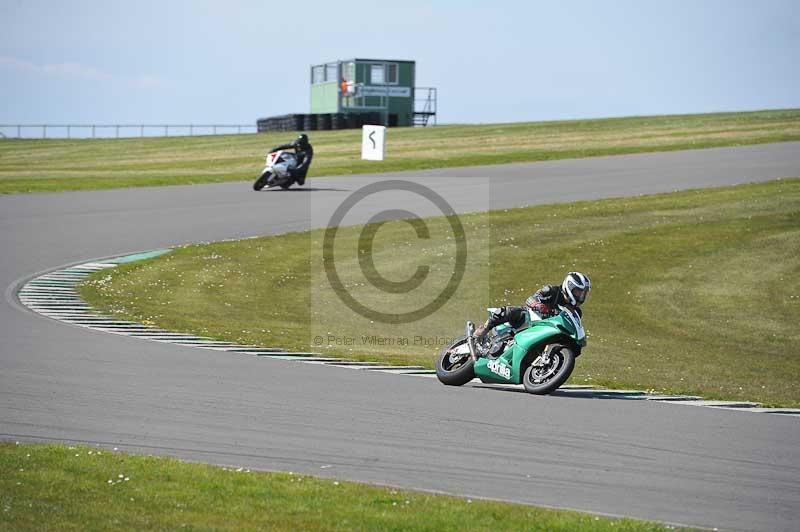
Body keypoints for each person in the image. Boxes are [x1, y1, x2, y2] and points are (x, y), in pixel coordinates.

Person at [472, 272, 592, 344]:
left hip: (547, 330)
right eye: (578, 291)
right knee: (514, 311)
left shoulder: (576, 312)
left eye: (583, 293)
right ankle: (484, 329)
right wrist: (538, 305)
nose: (580, 296)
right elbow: (530, 299)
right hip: (530, 319)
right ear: (569, 286)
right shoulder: (551, 290)